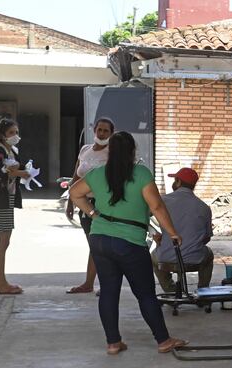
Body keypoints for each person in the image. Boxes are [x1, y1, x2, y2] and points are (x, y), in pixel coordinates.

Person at [69, 131, 186, 355]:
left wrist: (93, 213)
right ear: (132, 151)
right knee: (145, 294)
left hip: (100, 239)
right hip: (130, 242)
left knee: (109, 291)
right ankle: (163, 340)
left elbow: (74, 193)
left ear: (110, 151)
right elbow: (157, 206)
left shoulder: (98, 173)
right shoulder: (141, 174)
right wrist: (172, 232)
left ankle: (113, 343)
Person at [65, 118, 114, 294]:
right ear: (94, 130)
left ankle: (107, 284)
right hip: (84, 203)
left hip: (102, 204)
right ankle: (89, 283)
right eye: (99, 130)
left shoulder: (112, 153)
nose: (101, 134)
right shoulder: (85, 150)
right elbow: (76, 177)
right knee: (93, 244)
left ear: (111, 134)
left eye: (105, 131)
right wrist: (70, 202)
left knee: (102, 244)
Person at [151, 167, 214, 291]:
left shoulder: (162, 201)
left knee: (153, 256)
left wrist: (159, 238)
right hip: (195, 258)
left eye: (175, 180)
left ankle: (170, 290)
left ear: (178, 182)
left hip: (166, 257)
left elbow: (144, 217)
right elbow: (206, 238)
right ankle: (203, 291)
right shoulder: (204, 207)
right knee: (209, 254)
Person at [0, 118, 30, 295]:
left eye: (16, 132)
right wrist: (22, 173)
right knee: (3, 240)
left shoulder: (9, 150)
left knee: (4, 240)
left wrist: (19, 171)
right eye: (11, 133)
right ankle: (2, 283)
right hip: (1, 199)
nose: (15, 136)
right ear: (2, 134)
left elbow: (12, 168)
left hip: (8, 197)